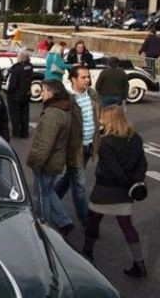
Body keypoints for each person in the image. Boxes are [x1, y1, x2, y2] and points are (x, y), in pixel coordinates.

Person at [82, 106, 147, 278]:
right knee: (127, 225)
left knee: (93, 220)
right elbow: (143, 164)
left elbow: (112, 168)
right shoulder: (135, 138)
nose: (100, 121)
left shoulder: (107, 142)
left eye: (102, 118)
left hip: (105, 189)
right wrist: (134, 182)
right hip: (125, 191)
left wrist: (125, 181)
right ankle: (139, 263)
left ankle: (87, 253)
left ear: (110, 120)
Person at [56, 66, 101, 230]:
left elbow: (97, 117)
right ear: (73, 80)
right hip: (75, 148)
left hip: (89, 145)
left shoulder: (93, 94)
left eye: (88, 77)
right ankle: (86, 220)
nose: (87, 80)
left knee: (69, 178)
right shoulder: (67, 99)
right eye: (83, 77)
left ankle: (48, 201)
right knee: (80, 184)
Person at [27, 80, 74, 232]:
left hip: (48, 162)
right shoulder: (63, 110)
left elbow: (45, 143)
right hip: (57, 161)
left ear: (50, 93)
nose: (41, 93)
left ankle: (44, 227)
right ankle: (64, 221)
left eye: (43, 91)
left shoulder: (52, 115)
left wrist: (37, 163)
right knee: (49, 192)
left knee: (41, 197)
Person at [5, 51, 34, 138]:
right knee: (25, 114)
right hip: (26, 93)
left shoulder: (17, 68)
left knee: (15, 114)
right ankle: (24, 132)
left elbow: (13, 83)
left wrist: (9, 91)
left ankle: (16, 132)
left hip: (16, 95)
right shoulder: (30, 66)